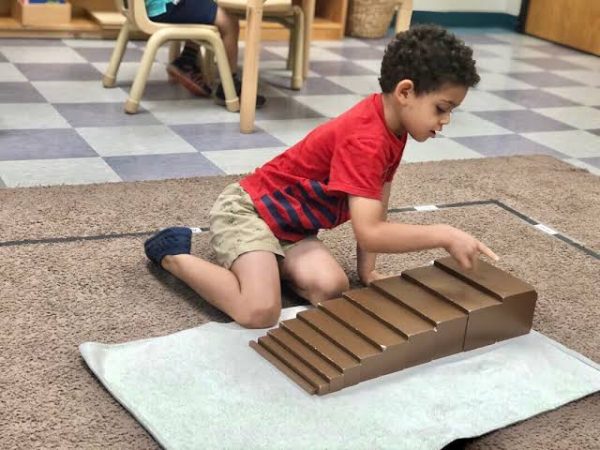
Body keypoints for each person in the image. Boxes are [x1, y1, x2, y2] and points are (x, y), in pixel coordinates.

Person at [144, 24, 498, 329]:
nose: (445, 121)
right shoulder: (366, 139)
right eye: (442, 109)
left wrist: (368, 272)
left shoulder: (394, 125)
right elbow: (371, 232)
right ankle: (174, 255)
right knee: (259, 311)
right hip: (249, 213)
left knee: (331, 288)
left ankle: (264, 265)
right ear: (405, 92)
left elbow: (379, 200)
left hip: (292, 227)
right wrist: (445, 234)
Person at [145, 0, 266, 107]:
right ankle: (229, 87)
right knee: (229, 22)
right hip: (166, 6)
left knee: (208, 6)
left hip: (158, 5)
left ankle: (187, 59)